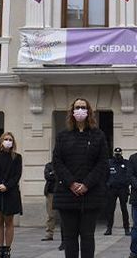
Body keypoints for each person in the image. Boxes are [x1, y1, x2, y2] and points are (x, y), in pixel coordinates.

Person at [52, 98, 109, 258]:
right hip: (67, 194)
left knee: (87, 237)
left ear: (89, 111)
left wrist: (86, 184)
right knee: (69, 238)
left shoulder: (98, 135)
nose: (80, 110)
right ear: (72, 111)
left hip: (90, 194)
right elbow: (57, 161)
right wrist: (71, 183)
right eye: (77, 107)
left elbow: (102, 163)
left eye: (83, 107)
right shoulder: (63, 135)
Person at [0, 132, 23, 258]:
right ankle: (0, 249)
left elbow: (17, 175)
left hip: (10, 193)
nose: (8, 141)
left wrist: (7, 185)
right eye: (6, 139)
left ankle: (7, 249)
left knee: (9, 221)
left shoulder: (17, 157)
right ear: (1, 142)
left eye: (10, 139)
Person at [105, 147, 131, 236]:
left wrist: (126, 184)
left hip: (123, 189)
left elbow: (129, 175)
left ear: (121, 153)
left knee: (124, 209)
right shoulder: (109, 163)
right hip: (112, 189)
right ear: (114, 154)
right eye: (116, 154)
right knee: (110, 209)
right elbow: (105, 175)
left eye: (119, 154)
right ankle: (109, 228)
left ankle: (127, 228)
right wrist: (107, 184)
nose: (117, 155)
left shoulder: (126, 163)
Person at [41, 162, 58, 242]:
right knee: (51, 214)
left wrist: (53, 173)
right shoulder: (49, 165)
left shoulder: (65, 163)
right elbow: (47, 176)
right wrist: (55, 173)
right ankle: (49, 234)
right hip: (51, 192)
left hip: (62, 192)